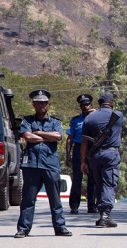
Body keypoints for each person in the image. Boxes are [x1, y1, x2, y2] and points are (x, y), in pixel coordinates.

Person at [15, 89, 72, 238]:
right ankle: (23, 228)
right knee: (28, 199)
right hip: (32, 165)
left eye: (44, 103)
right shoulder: (27, 121)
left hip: (50, 165)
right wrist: (47, 137)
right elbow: (27, 136)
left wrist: (39, 133)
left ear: (48, 104)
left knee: (55, 199)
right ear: (33, 104)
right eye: (38, 103)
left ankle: (60, 227)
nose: (41, 105)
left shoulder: (55, 122)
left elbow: (58, 136)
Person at [80, 93, 124, 228]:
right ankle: (105, 215)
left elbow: (84, 142)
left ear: (98, 103)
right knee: (109, 184)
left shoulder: (89, 118)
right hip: (111, 154)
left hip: (94, 156)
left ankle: (102, 214)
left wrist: (83, 161)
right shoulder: (118, 116)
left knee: (99, 185)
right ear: (112, 103)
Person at [66, 94, 97, 214]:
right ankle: (74, 206)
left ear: (91, 105)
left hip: (92, 150)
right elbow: (70, 138)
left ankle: (92, 205)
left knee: (93, 179)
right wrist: (68, 155)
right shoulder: (75, 120)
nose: (85, 107)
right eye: (83, 105)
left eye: (87, 104)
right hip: (78, 149)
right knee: (77, 179)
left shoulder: (96, 118)